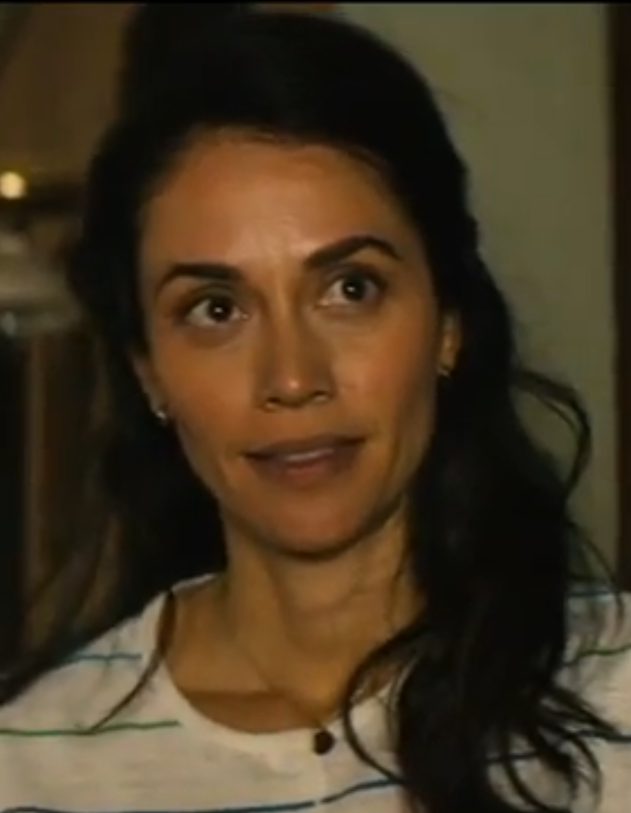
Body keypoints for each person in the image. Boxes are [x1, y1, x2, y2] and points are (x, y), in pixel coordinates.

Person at [0, 5, 629, 813]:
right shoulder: (32, 767)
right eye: (216, 309)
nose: (293, 378)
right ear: (148, 370)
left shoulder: (612, 695)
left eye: (349, 288)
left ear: (446, 322)